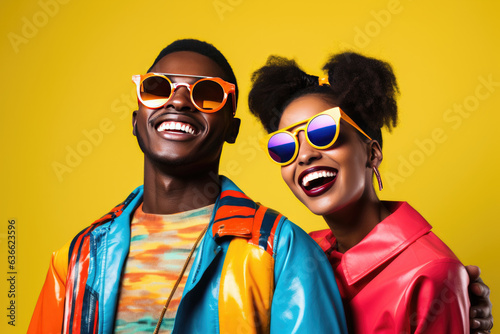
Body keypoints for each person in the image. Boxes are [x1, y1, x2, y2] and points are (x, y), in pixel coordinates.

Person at [28, 39, 348, 334]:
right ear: (135, 121)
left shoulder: (281, 250)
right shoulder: (76, 258)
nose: (179, 101)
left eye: (206, 93)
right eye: (157, 88)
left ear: (231, 129)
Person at [248, 52, 493, 333]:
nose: (304, 156)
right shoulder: (298, 255)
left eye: (324, 132)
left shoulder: (431, 274)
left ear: (372, 153)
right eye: (285, 147)